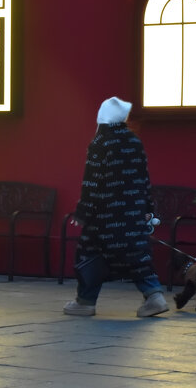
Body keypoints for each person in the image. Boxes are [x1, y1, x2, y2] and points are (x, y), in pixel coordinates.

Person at [63, 96, 169, 318]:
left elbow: (92, 181)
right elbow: (144, 179)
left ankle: (85, 301)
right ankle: (154, 296)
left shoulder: (100, 143)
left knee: (89, 254)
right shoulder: (134, 142)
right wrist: (147, 208)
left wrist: (83, 212)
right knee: (136, 254)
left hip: (103, 216)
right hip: (132, 213)